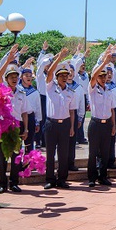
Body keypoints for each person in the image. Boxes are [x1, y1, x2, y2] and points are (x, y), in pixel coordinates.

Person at [0, 46, 28, 193]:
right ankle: (2, 183)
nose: (14, 79)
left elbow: (25, 112)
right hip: (3, 127)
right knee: (2, 157)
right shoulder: (2, 90)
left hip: (17, 126)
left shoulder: (21, 92)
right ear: (7, 79)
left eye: (16, 77)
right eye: (11, 77)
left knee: (16, 156)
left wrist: (26, 129)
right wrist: (7, 62)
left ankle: (14, 182)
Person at [43, 48, 77, 189]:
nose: (64, 77)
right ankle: (50, 179)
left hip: (65, 124)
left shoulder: (71, 92)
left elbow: (72, 111)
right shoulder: (51, 87)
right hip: (51, 124)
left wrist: (72, 127)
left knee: (63, 153)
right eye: (61, 75)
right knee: (50, 153)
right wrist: (59, 58)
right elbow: (49, 72)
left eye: (66, 75)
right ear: (57, 77)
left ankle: (62, 179)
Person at [87, 46, 116, 187]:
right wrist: (104, 62)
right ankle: (91, 178)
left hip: (106, 124)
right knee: (93, 152)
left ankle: (102, 176)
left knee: (105, 152)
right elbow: (93, 77)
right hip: (95, 124)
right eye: (101, 76)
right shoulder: (93, 89)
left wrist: (113, 125)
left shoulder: (109, 91)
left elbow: (112, 110)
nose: (103, 78)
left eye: (105, 76)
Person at [18, 68, 42, 152]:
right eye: (26, 75)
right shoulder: (18, 90)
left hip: (30, 117)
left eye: (30, 76)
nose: (28, 77)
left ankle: (28, 159)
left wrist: (37, 122)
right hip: (19, 117)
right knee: (17, 144)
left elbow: (38, 107)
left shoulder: (35, 92)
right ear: (21, 77)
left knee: (29, 143)